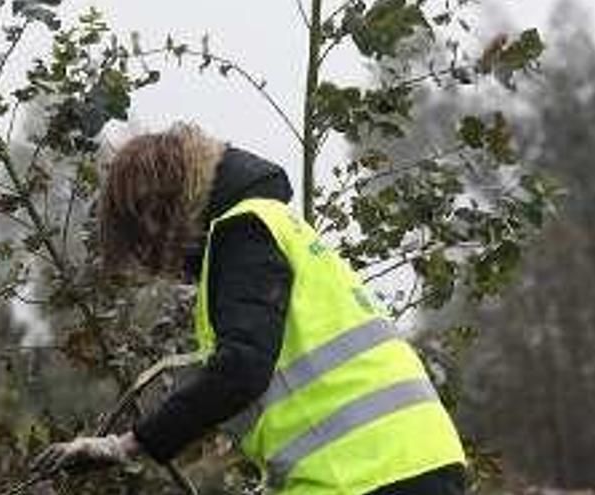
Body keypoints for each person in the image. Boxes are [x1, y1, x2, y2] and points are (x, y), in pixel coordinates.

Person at [37, 124, 467, 495]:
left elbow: (242, 370)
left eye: (143, 242)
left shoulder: (245, 232)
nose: (153, 262)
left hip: (367, 473)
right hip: (406, 461)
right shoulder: (271, 228)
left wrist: (127, 445)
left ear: (159, 213)